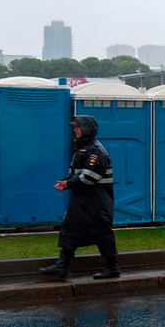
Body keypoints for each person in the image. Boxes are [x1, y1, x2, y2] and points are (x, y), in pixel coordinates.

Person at [39, 115, 120, 279]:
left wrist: (68, 184)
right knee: (70, 229)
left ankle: (112, 267)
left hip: (97, 200)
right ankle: (61, 267)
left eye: (78, 128)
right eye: (74, 128)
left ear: (87, 129)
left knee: (102, 233)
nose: (75, 131)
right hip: (82, 199)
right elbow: (76, 173)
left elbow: (89, 177)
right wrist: (66, 181)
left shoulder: (95, 151)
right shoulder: (82, 148)